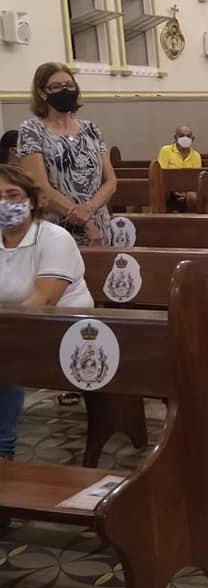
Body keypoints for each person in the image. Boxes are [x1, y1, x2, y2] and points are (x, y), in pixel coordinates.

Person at [0, 164, 94, 461]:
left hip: (64, 328)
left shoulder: (54, 238)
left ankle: (2, 449)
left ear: (31, 201)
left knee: (4, 352)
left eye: (13, 195)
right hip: (13, 325)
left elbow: (44, 300)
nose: (4, 203)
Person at [17, 62, 115, 246]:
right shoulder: (31, 131)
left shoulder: (91, 129)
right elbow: (40, 187)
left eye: (69, 85)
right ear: (42, 92)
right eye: (57, 86)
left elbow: (110, 181)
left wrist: (89, 209)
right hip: (57, 232)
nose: (65, 90)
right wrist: (84, 221)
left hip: (99, 228)